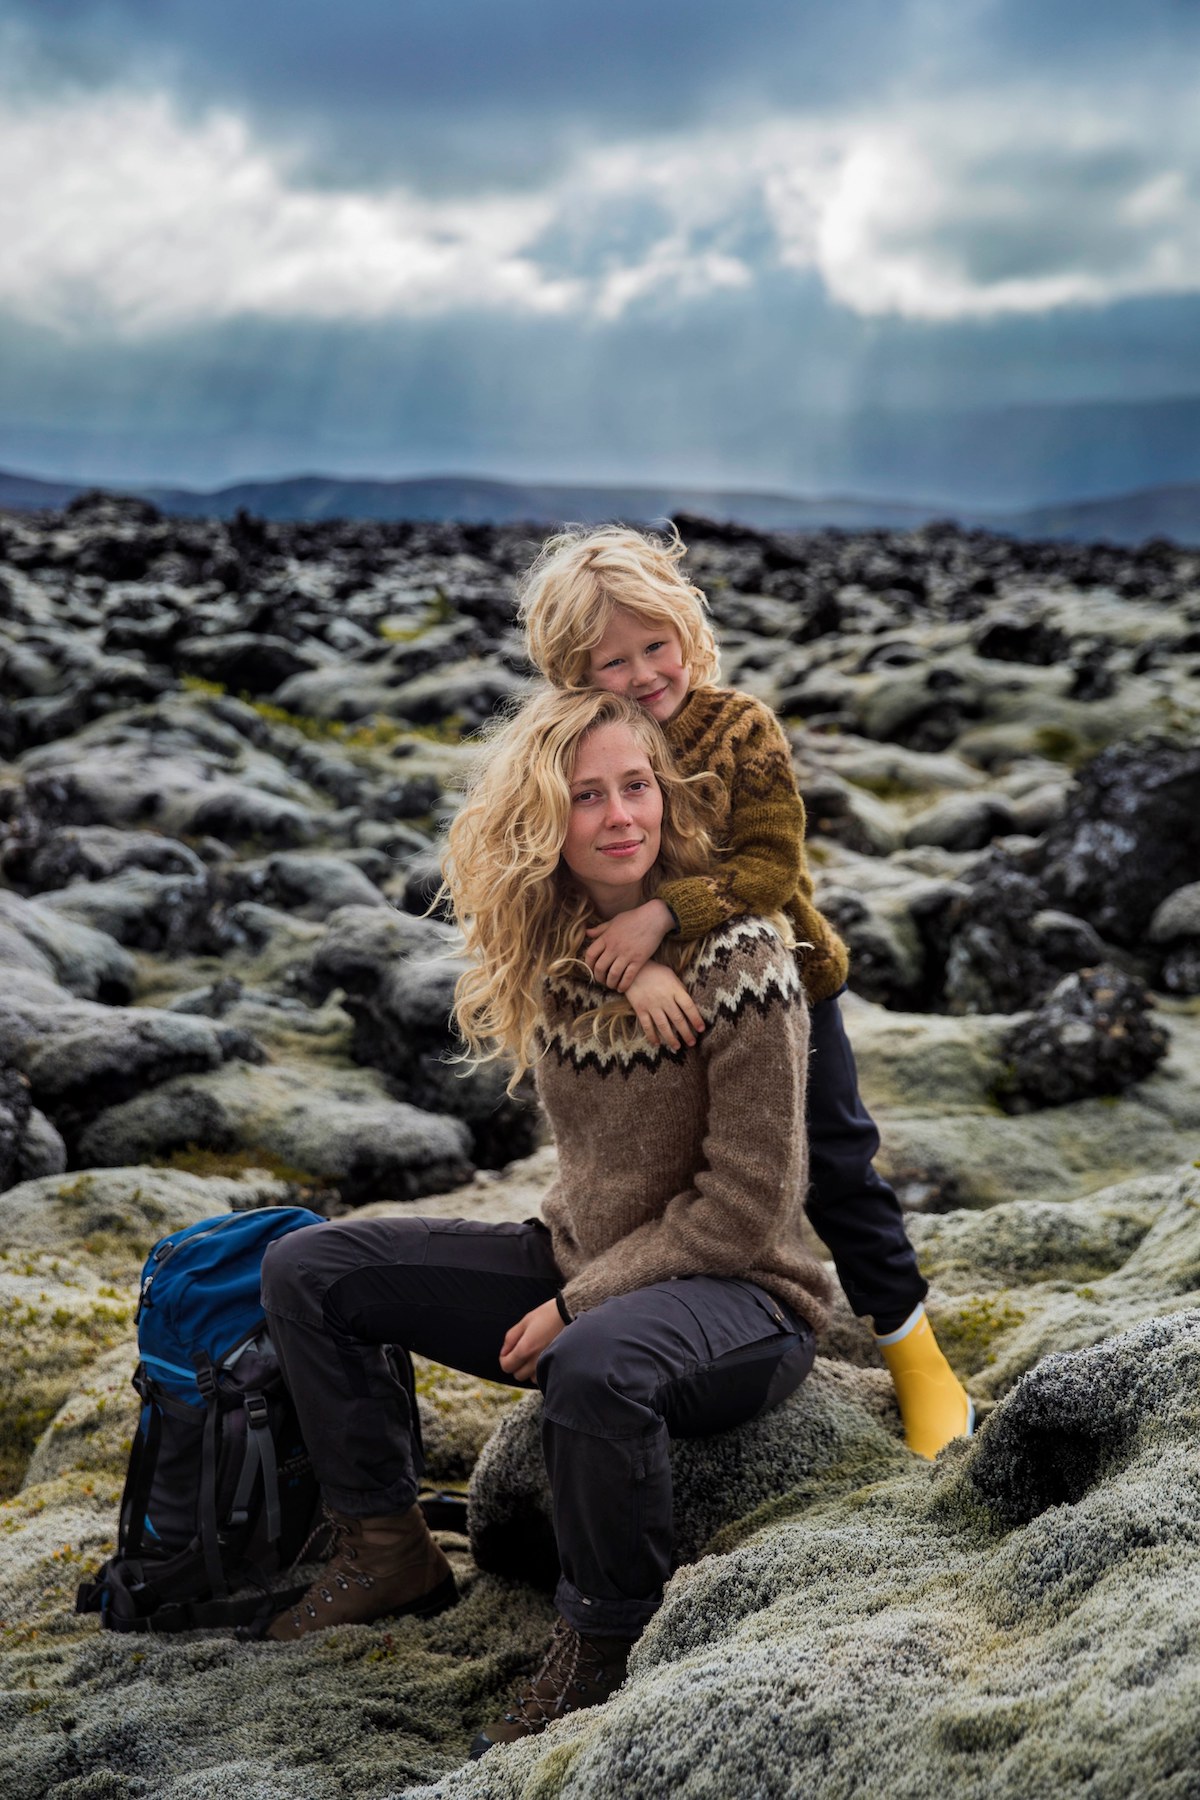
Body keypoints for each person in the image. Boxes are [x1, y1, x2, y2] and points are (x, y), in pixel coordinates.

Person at [257, 687, 830, 1757]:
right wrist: (575, 1284)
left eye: (638, 786)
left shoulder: (745, 957)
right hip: (583, 1262)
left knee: (594, 1368)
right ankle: (387, 1545)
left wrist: (578, 1303)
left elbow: (748, 1208)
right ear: (541, 820)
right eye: (588, 796)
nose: (623, 816)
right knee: (308, 1269)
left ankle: (610, 1641)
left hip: (745, 1299)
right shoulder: (560, 947)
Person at [518, 523, 973, 1459]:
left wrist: (660, 922)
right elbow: (559, 893)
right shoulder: (580, 756)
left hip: (789, 985)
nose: (646, 674)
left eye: (658, 645)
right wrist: (636, 966)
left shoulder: (740, 729)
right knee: (672, 1174)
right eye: (613, 661)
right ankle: (653, 1326)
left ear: (688, 631)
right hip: (664, 1013)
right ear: (570, 672)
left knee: (839, 1169)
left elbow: (771, 863)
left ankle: (913, 1351)